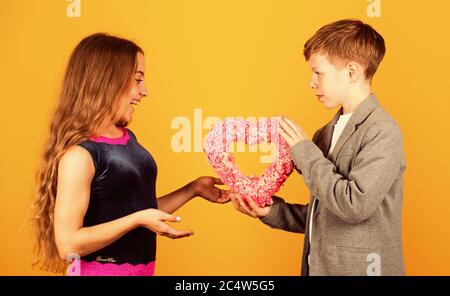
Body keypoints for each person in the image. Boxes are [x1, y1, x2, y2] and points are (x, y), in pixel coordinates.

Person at [31, 33, 231, 276]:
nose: (144, 91)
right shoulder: (79, 155)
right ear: (107, 81)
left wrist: (193, 189)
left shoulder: (128, 139)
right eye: (138, 80)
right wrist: (137, 219)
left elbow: (142, 212)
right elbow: (68, 244)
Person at [230, 19, 406, 276]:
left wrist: (304, 151)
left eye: (318, 72)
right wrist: (270, 211)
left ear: (351, 72)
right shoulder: (325, 133)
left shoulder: (383, 131)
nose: (311, 83)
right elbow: (324, 216)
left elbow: (353, 206)